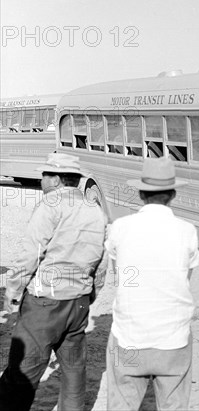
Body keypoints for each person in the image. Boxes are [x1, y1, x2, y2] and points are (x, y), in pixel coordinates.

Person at [0, 153, 108, 411]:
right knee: (73, 370)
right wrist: (88, 295)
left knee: (23, 371)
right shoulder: (94, 209)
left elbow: (31, 255)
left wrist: (12, 291)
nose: (42, 179)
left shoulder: (50, 205)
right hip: (79, 302)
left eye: (46, 174)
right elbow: (102, 262)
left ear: (57, 179)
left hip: (45, 303)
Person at [104, 156, 199, 410]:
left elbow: (119, 274)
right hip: (173, 339)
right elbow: (184, 279)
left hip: (129, 337)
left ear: (141, 193)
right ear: (173, 194)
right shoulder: (187, 231)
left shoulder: (120, 227)